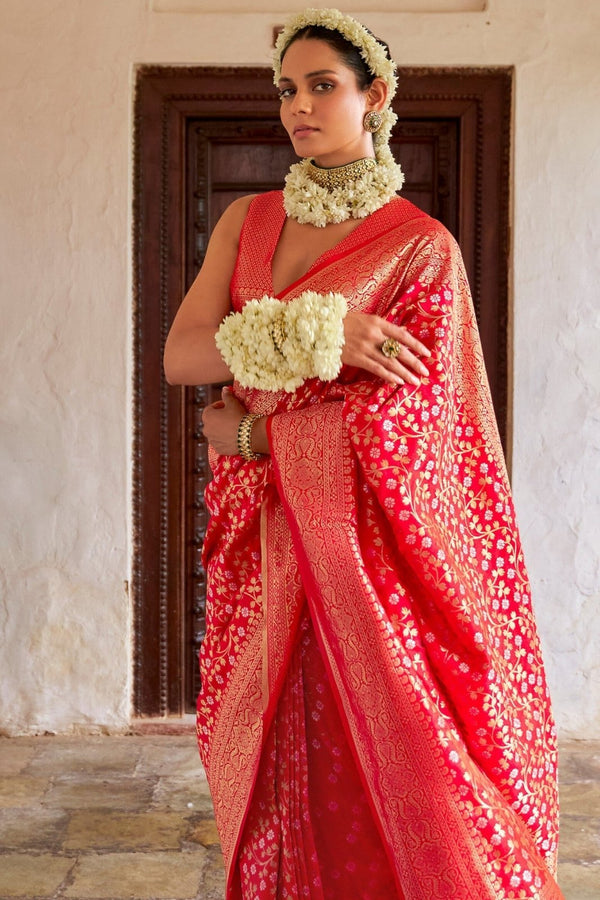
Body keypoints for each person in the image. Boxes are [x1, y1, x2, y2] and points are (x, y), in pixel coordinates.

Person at [164, 8, 563, 899]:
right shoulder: (249, 221)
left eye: (322, 86)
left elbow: (417, 434)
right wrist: (320, 336)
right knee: (266, 765)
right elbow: (181, 357)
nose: (298, 107)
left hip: (371, 563)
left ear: (373, 96)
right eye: (287, 89)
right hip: (261, 549)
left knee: (386, 758)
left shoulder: (424, 250)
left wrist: (254, 432)